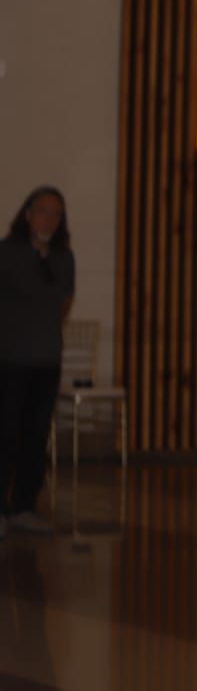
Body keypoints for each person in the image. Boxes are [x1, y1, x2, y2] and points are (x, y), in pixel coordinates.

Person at [0, 186, 74, 537]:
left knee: (35, 437)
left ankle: (24, 507)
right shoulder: (7, 252)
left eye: (56, 213)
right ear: (27, 214)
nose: (49, 218)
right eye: (43, 210)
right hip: (10, 360)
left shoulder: (63, 258)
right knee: (6, 436)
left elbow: (63, 305)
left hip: (46, 362)